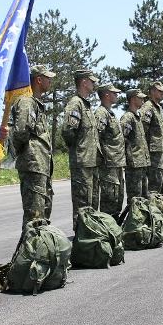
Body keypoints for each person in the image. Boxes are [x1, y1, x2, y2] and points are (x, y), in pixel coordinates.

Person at [10, 65, 56, 230]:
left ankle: (39, 250)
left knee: (43, 212)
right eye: (47, 77)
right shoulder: (27, 102)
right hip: (33, 165)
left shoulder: (36, 103)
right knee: (34, 216)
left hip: (41, 165)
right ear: (38, 79)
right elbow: (21, 131)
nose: (50, 81)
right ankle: (30, 252)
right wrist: (25, 154)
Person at [62, 69, 102, 231]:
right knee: (82, 203)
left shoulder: (86, 105)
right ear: (84, 82)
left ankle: (90, 235)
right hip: (82, 162)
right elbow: (67, 131)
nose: (94, 84)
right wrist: (78, 149)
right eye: (91, 81)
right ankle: (81, 235)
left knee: (92, 203)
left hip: (91, 161)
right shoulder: (75, 103)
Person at [95, 83, 126, 220]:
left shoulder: (111, 113)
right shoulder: (101, 113)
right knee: (110, 199)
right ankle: (108, 225)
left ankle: (115, 226)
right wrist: (102, 158)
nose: (117, 95)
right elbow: (96, 137)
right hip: (108, 164)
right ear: (106, 95)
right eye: (114, 93)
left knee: (117, 197)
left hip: (117, 162)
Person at [121, 89, 151, 212]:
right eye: (140, 97)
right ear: (133, 99)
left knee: (144, 197)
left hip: (142, 162)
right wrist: (129, 155)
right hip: (134, 164)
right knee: (135, 198)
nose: (143, 100)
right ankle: (133, 225)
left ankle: (142, 224)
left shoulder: (137, 116)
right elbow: (122, 137)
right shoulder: (128, 117)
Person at [140, 81, 163, 194]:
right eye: (159, 91)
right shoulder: (148, 107)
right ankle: (152, 208)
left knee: (161, 181)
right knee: (155, 183)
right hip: (153, 151)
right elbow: (142, 129)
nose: (162, 93)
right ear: (152, 91)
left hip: (160, 150)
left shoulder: (158, 107)